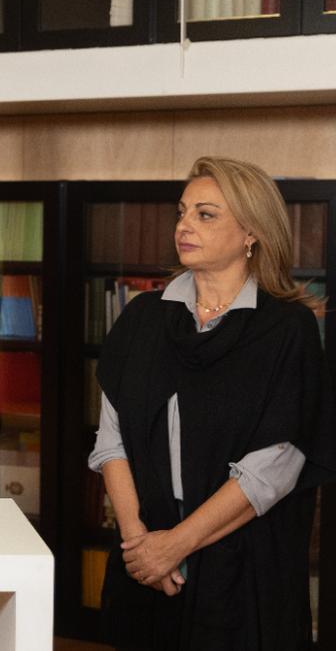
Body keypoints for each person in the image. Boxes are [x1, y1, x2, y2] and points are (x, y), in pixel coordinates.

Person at [88, 157, 336, 650]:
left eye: (205, 215)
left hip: (243, 563)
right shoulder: (142, 318)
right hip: (144, 551)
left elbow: (276, 464)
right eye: (182, 212)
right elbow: (111, 441)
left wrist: (175, 545)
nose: (184, 226)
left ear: (252, 232)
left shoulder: (286, 329)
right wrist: (139, 542)